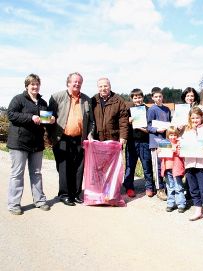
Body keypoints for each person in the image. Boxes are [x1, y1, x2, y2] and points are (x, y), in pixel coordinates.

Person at [6, 74, 54, 215]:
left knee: (37, 173)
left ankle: (39, 201)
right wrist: (30, 117)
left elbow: (44, 121)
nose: (35, 87)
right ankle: (14, 204)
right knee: (17, 174)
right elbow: (11, 115)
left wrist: (50, 120)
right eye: (32, 84)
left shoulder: (43, 102)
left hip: (37, 143)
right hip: (19, 143)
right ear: (27, 85)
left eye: (37, 84)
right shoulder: (18, 99)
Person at [48, 72, 95, 206]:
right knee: (64, 167)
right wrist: (50, 137)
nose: (77, 84)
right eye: (74, 81)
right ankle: (64, 194)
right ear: (68, 83)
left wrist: (90, 134)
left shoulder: (86, 99)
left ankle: (75, 194)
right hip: (62, 138)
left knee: (79, 167)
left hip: (80, 139)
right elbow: (48, 119)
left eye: (79, 82)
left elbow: (91, 121)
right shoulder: (57, 97)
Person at [123, 88, 155, 198]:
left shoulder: (148, 110)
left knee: (147, 165)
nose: (138, 100)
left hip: (144, 142)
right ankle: (129, 187)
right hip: (132, 142)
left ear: (143, 97)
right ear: (132, 99)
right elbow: (123, 125)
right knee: (130, 166)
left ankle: (149, 187)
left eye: (139, 97)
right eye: (135, 98)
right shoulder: (128, 111)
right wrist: (128, 121)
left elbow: (150, 127)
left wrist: (142, 127)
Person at [147, 87, 171, 201]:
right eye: (156, 96)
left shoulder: (167, 109)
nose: (158, 98)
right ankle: (159, 189)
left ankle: (168, 187)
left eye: (160, 96)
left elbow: (170, 124)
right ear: (152, 98)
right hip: (155, 142)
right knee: (157, 167)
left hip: (166, 141)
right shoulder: (151, 110)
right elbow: (148, 126)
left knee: (166, 165)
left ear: (163, 97)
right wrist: (157, 130)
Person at [91, 77, 129, 144]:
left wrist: (123, 137)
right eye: (100, 86)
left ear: (110, 87)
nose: (103, 89)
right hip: (97, 139)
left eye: (105, 86)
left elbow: (123, 120)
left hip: (113, 139)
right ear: (98, 88)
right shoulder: (93, 100)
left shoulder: (118, 100)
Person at [160, 127, 186, 212]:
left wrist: (176, 151)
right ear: (168, 135)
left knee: (178, 187)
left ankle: (181, 204)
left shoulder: (179, 143)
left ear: (177, 135)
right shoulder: (164, 143)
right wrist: (159, 151)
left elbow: (183, 154)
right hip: (167, 168)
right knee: (170, 186)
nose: (173, 137)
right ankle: (170, 203)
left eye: (175, 135)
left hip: (176, 168)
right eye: (171, 135)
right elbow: (162, 157)